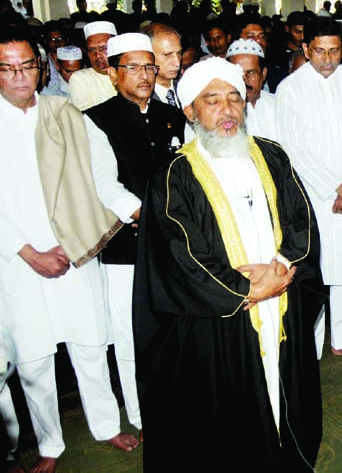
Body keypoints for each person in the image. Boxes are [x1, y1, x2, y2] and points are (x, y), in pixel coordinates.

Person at [133, 57, 325, 471]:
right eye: (213, 100)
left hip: (280, 302)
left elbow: (302, 221)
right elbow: (178, 254)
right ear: (190, 111)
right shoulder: (174, 174)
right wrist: (245, 290)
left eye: (235, 99)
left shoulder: (272, 155)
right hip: (221, 321)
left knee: (281, 394)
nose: (227, 111)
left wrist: (281, 269)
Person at [0, 26, 137, 473]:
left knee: (90, 344)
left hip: (74, 249)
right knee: (34, 360)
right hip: (17, 262)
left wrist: (131, 212)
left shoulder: (66, 113)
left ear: (41, 69)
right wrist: (28, 252)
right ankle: (49, 443)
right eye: (8, 69)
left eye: (27, 67)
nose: (20, 77)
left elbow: (102, 174)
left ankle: (103, 424)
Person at [84, 33, 189, 442]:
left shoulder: (172, 115)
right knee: (131, 334)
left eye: (149, 66)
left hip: (173, 245)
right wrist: (156, 217)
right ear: (113, 73)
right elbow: (106, 187)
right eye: (132, 67)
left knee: (173, 327)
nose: (144, 75)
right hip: (127, 248)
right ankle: (143, 413)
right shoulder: (94, 119)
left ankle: (176, 399)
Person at [276, 17, 342, 362]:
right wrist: (335, 187)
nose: (326, 59)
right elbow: (294, 148)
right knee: (316, 272)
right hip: (315, 196)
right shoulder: (291, 88)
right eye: (319, 51)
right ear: (306, 49)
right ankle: (310, 346)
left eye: (334, 50)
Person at [227, 39, 276, 141]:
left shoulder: (278, 104)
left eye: (251, 73)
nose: (244, 80)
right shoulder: (219, 113)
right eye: (238, 74)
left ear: (263, 74)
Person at [69, 21, 117, 111]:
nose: (97, 55)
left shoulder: (131, 73)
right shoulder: (80, 78)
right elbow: (90, 118)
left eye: (103, 48)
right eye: (91, 50)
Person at [141, 23, 182, 107]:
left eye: (179, 53)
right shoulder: (139, 98)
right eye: (167, 55)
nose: (177, 63)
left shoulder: (190, 87)